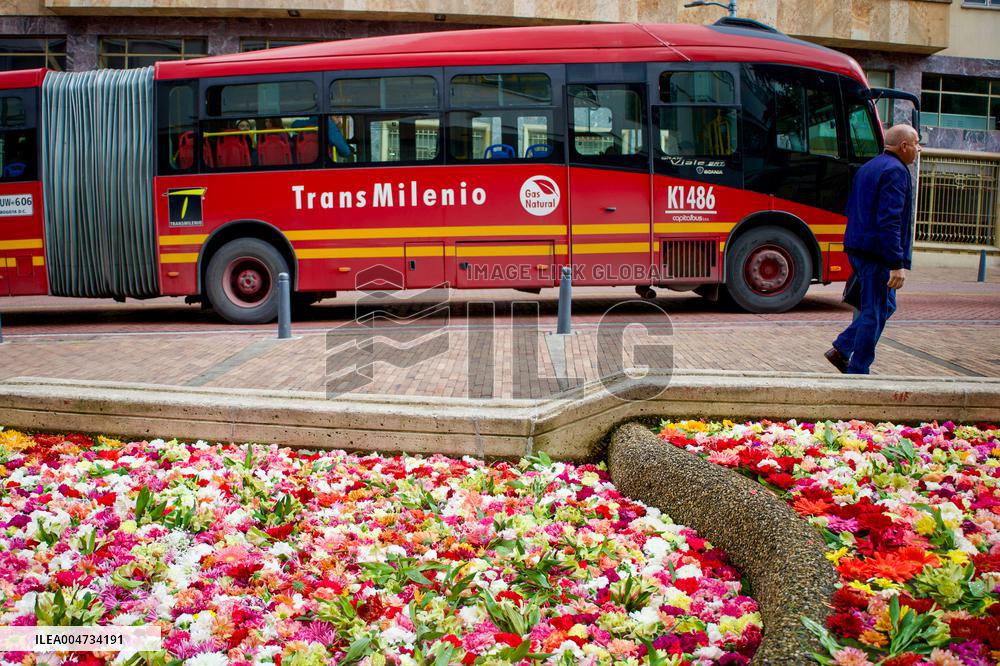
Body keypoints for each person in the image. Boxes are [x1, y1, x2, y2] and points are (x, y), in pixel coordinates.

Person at [825, 124, 919, 375]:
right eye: (916, 144)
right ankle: (859, 370)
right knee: (874, 312)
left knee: (886, 306)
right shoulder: (896, 171)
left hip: (858, 248)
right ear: (904, 146)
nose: (918, 149)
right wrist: (896, 263)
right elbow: (890, 220)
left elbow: (852, 208)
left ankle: (842, 347)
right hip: (876, 255)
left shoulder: (869, 167)